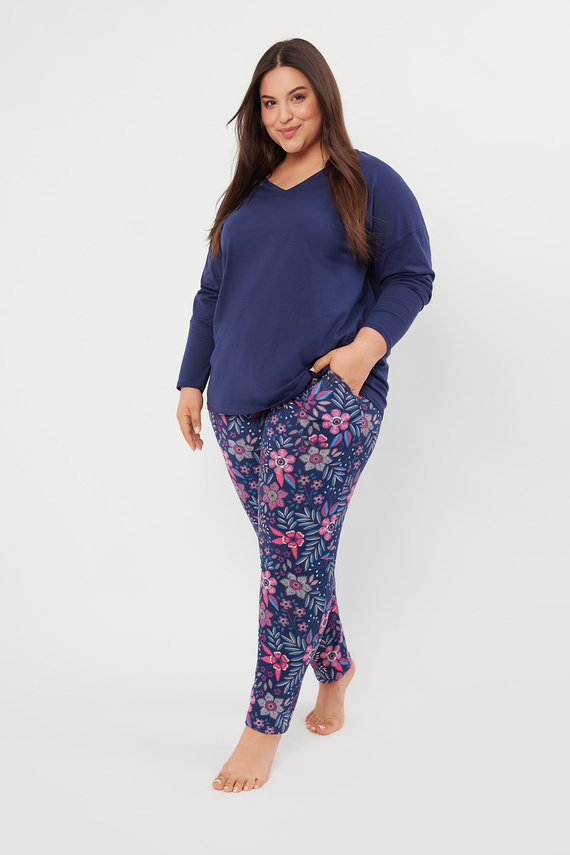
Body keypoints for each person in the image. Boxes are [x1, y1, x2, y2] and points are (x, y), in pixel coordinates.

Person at [175, 37, 435, 793]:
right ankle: (336, 665)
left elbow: (411, 275)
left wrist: (361, 354)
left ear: (323, 97)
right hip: (238, 407)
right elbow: (211, 295)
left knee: (288, 567)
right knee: (296, 557)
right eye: (269, 102)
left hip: (325, 400)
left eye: (297, 96)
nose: (284, 114)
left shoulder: (367, 180)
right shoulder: (245, 198)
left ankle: (263, 728)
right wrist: (191, 382)